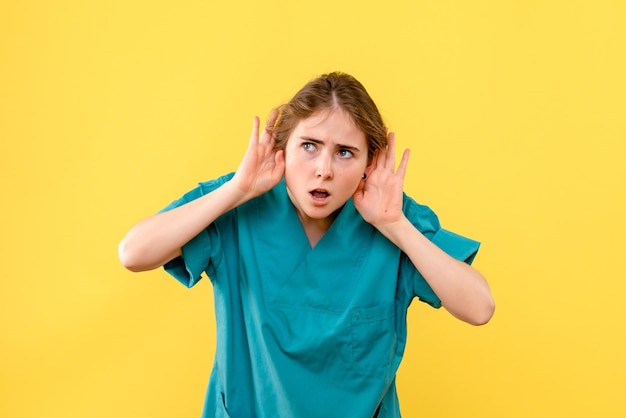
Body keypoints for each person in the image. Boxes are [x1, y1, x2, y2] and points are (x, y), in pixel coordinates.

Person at [118, 71, 495, 418]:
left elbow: (479, 307)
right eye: (310, 146)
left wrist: (396, 226)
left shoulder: (391, 216)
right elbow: (133, 253)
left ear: (370, 163)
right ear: (283, 149)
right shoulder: (240, 205)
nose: (324, 169)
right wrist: (235, 190)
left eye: (345, 152)